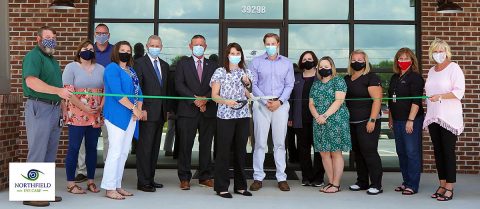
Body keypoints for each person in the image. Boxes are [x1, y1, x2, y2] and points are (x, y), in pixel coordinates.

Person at [22, 26, 70, 207]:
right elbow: (31, 82)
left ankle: (44, 191)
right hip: (39, 107)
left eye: (54, 37)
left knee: (50, 153)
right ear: (39, 39)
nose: (51, 40)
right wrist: (58, 91)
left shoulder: (52, 60)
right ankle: (31, 195)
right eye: (48, 37)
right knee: (37, 151)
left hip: (54, 109)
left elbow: (60, 88)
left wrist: (63, 106)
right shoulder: (34, 56)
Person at [250, 33, 294, 192]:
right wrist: (263, 100)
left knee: (279, 143)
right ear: (264, 44)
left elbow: (289, 85)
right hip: (261, 104)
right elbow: (253, 84)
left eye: (273, 43)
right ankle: (257, 177)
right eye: (267, 43)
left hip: (280, 105)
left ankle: (281, 178)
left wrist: (279, 102)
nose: (270, 46)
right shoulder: (256, 62)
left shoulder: (287, 63)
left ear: (278, 44)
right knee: (260, 143)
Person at [101, 41, 143, 200]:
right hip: (116, 116)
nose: (125, 52)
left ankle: (117, 185)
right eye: (122, 50)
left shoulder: (131, 71)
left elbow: (140, 92)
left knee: (124, 152)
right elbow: (118, 94)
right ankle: (109, 187)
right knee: (115, 151)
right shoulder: (112, 68)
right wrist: (134, 109)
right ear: (116, 52)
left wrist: (137, 110)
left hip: (131, 116)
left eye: (128, 50)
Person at [175, 35, 218, 190]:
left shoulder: (213, 65)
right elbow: (179, 84)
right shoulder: (182, 63)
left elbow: (216, 85)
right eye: (196, 44)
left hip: (208, 110)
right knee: (185, 145)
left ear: (205, 47)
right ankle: (184, 178)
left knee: (206, 145)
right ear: (190, 46)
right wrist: (194, 100)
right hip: (188, 111)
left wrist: (205, 99)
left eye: (201, 44)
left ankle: (205, 176)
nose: (198, 46)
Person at [211, 42, 254, 198]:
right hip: (225, 116)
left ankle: (241, 186)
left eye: (238, 53)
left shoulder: (246, 71)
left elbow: (248, 91)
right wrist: (226, 101)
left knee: (241, 151)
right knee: (223, 152)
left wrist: (247, 84)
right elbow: (214, 95)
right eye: (232, 53)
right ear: (227, 55)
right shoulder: (220, 72)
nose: (235, 56)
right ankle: (221, 187)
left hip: (242, 116)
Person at [424, 39, 465, 201]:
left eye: (441, 51)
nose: (438, 54)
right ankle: (441, 184)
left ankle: (450, 186)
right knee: (438, 152)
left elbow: (459, 92)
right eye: (435, 51)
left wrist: (440, 96)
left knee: (448, 152)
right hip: (434, 116)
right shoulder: (432, 71)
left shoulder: (454, 68)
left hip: (448, 117)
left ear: (447, 52)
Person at [63, 40, 104, 195]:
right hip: (77, 114)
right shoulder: (71, 67)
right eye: (85, 48)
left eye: (91, 49)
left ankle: (91, 181)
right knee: (74, 148)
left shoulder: (101, 69)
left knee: (92, 148)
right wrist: (84, 107)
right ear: (79, 51)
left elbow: (106, 90)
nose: (88, 50)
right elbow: (68, 93)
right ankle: (70, 183)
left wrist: (101, 107)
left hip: (95, 115)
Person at [75, 23, 114, 183]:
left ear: (109, 35)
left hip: (108, 101)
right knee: (84, 140)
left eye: (104, 33)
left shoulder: (114, 52)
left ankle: (108, 170)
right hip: (86, 104)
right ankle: (82, 171)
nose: (101, 35)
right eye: (98, 33)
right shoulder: (89, 51)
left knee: (108, 138)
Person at [309, 56, 351, 193]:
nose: (323, 69)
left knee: (335, 152)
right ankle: (331, 182)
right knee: (324, 153)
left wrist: (325, 115)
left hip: (336, 120)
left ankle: (336, 184)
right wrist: (317, 116)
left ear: (332, 67)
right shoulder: (316, 84)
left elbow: (338, 101)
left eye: (326, 67)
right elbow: (311, 103)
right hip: (319, 122)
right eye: (321, 67)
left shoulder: (338, 81)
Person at [344, 50, 383, 195]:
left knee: (369, 152)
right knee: (357, 153)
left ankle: (377, 184)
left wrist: (372, 120)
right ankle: (362, 182)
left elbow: (377, 101)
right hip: (351, 122)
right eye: (354, 60)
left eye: (360, 59)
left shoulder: (371, 78)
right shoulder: (347, 78)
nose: (357, 62)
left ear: (365, 61)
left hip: (367, 121)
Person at [133, 35, 169, 192]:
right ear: (147, 46)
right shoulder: (139, 63)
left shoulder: (165, 65)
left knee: (155, 149)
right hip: (146, 112)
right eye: (152, 45)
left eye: (158, 45)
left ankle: (150, 179)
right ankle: (142, 181)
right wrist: (141, 109)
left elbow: (166, 89)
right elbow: (137, 88)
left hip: (160, 113)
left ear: (161, 47)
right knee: (144, 148)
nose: (155, 47)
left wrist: (167, 110)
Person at [387, 48, 424, 195]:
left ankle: (413, 185)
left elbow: (416, 101)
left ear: (412, 60)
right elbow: (391, 100)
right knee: (401, 152)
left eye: (406, 58)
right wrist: (390, 118)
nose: (403, 61)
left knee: (411, 152)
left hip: (411, 120)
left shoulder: (415, 78)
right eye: (400, 59)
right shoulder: (394, 78)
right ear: (397, 61)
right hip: (397, 120)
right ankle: (406, 181)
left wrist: (411, 120)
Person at [289, 51, 325, 187]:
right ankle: (306, 177)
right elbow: (291, 99)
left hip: (318, 120)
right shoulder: (296, 78)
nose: (307, 61)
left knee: (318, 149)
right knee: (303, 150)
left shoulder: (321, 78)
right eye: (304, 59)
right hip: (300, 119)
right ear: (301, 62)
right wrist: (291, 117)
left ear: (315, 61)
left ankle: (318, 177)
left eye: (310, 58)